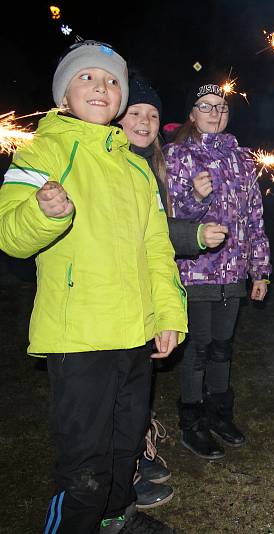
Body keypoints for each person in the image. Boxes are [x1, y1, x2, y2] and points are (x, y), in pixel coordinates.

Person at [0, 40, 186, 533]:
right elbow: (9, 235)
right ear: (64, 93)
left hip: (134, 337)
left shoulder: (136, 168)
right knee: (85, 464)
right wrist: (42, 212)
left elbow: (157, 250)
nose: (100, 87)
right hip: (79, 338)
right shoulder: (44, 150)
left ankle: (115, 521)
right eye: (87, 78)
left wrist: (168, 316)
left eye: (110, 81)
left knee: (125, 447)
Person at [118, 74, 228, 509]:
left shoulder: (153, 162)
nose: (144, 122)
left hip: (151, 283)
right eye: (135, 114)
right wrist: (197, 232)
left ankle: (136, 454)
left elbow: (157, 232)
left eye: (151, 115)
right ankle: (118, 476)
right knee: (120, 386)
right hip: (119, 288)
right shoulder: (125, 161)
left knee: (136, 382)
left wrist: (196, 233)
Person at [165, 82, 271, 460]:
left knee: (223, 348)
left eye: (222, 107)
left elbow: (255, 218)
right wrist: (195, 197)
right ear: (192, 114)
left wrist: (260, 270)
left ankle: (218, 413)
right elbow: (170, 219)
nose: (215, 113)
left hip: (234, 272)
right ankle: (191, 421)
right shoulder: (176, 156)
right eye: (206, 106)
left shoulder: (243, 159)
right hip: (196, 272)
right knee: (198, 347)